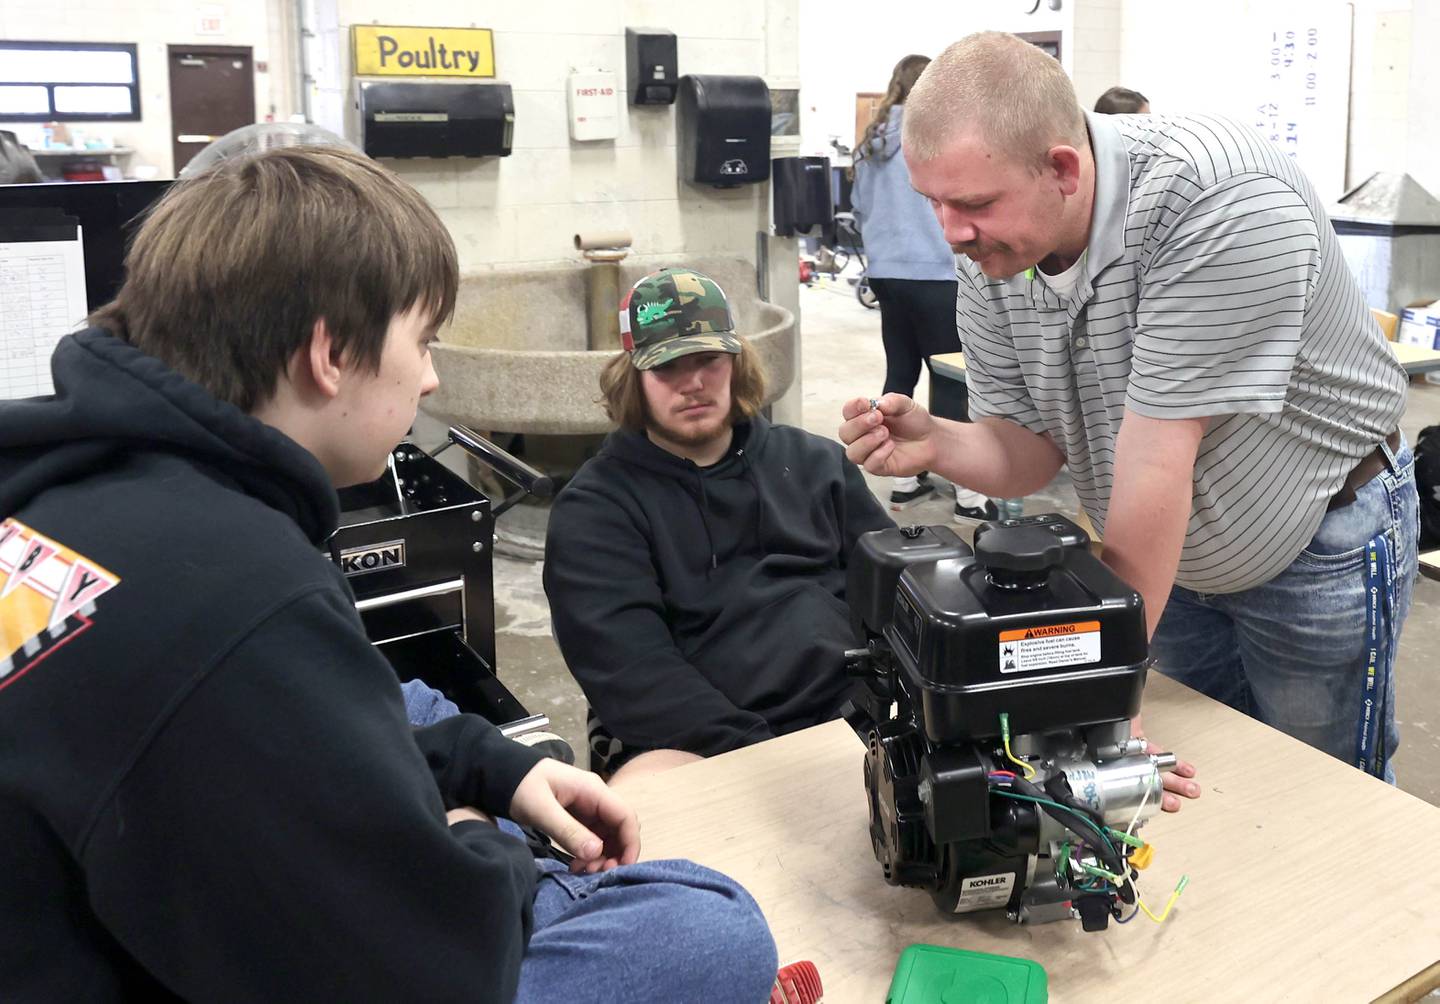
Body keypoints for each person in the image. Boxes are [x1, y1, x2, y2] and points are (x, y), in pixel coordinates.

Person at [0, 147, 777, 1002]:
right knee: (707, 929)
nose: (433, 375)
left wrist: (488, 764)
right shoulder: (242, 597)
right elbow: (431, 962)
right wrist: (481, 839)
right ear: (330, 353)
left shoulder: (69, 488)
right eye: (423, 339)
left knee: (416, 703)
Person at [839, 31, 1418, 802]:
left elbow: (1156, 459)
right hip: (1159, 563)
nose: (950, 234)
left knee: (1325, 799)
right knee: (1185, 793)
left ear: (1064, 170)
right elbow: (1032, 450)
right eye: (933, 203)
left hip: (1315, 549)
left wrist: (1092, 696)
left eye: (972, 204)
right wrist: (938, 442)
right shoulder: (997, 250)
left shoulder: (1217, 200)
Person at [543, 267, 895, 782]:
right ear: (633, 378)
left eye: (708, 359)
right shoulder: (596, 511)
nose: (693, 383)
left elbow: (894, 589)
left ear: (735, 361)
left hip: (855, 712)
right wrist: (761, 754)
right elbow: (633, 673)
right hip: (710, 743)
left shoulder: (814, 463)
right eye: (667, 367)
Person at [851, 54, 997, 520]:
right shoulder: (936, 138)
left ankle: (904, 480)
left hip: (887, 273)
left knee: (900, 372)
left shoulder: (873, 142)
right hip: (936, 273)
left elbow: (858, 209)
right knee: (952, 379)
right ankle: (969, 496)